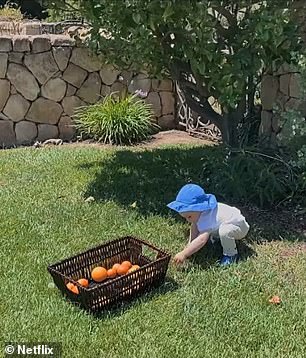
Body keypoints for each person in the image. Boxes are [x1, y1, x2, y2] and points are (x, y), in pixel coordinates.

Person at [167, 183, 250, 267]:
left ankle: (231, 255)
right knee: (220, 229)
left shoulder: (207, 218)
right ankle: (219, 239)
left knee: (224, 231)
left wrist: (184, 254)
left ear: (198, 208)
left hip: (239, 227)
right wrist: (190, 244)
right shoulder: (199, 213)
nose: (187, 220)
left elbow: (202, 240)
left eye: (189, 216)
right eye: (185, 217)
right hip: (228, 222)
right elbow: (194, 226)